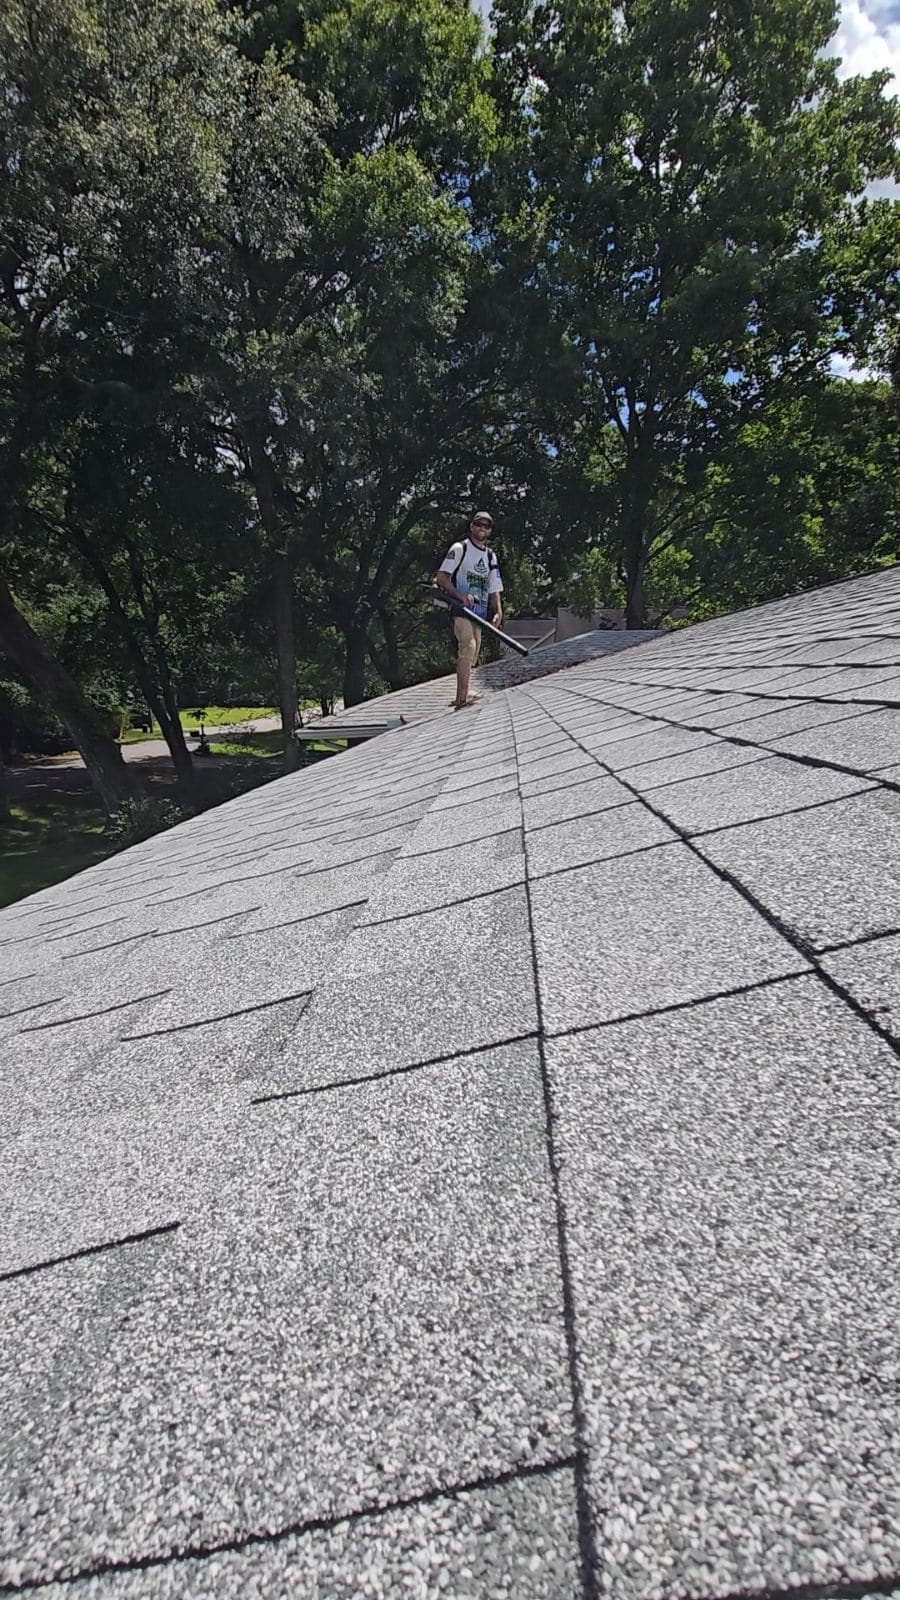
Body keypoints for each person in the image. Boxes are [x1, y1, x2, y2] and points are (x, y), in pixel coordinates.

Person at [436, 511, 504, 709]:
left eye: (486, 526)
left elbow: (494, 587)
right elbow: (442, 577)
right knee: (469, 645)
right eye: (478, 524)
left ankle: (467, 690)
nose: (482, 528)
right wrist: (460, 597)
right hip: (461, 610)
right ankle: (461, 697)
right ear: (472, 526)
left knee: (474, 653)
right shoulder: (460, 548)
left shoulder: (490, 556)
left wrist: (497, 610)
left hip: (480, 613)